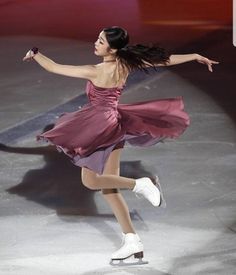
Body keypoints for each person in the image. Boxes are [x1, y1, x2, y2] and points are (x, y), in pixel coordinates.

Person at [23, 26, 218, 264]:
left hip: (98, 126)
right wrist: (194, 55)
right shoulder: (126, 63)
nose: (95, 43)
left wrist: (35, 53)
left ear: (112, 48)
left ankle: (140, 184)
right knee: (108, 188)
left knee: (90, 181)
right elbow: (163, 60)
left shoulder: (96, 71)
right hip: (115, 123)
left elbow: (56, 67)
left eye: (101, 41)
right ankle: (132, 240)